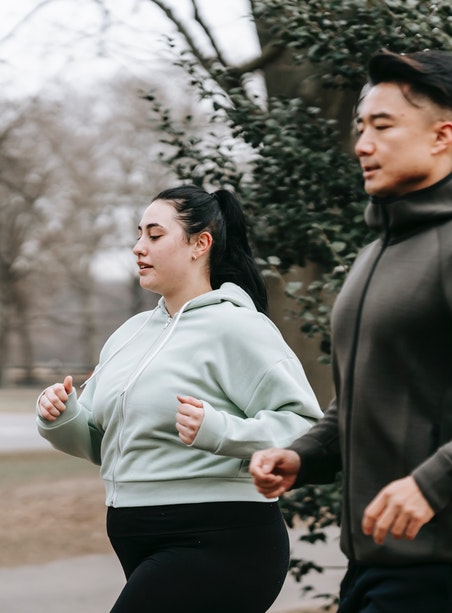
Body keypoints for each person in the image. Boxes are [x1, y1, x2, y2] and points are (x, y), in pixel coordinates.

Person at [250, 49, 452, 612]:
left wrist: (434, 483)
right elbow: (365, 399)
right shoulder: (373, 257)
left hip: (445, 566)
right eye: (360, 128)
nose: (362, 145)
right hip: (376, 563)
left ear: (440, 136)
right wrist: (304, 456)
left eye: (383, 126)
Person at [36, 185, 323, 613]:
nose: (138, 248)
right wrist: (61, 418)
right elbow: (104, 444)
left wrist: (219, 431)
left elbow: (305, 426)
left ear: (199, 244)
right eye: (138, 235)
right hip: (135, 534)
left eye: (154, 235)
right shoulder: (129, 335)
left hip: (223, 538)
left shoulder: (238, 327)